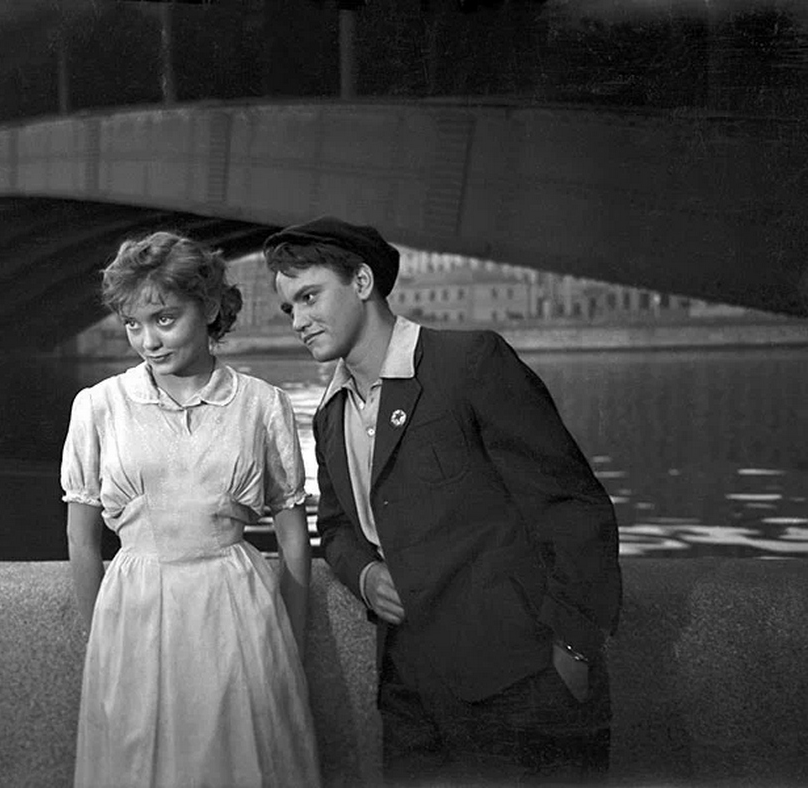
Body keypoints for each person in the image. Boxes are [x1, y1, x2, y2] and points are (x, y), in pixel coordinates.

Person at [265, 216, 622, 786]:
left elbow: (573, 506)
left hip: (522, 683)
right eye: (289, 308)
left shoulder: (468, 362)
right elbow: (334, 527)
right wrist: (365, 576)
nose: (298, 322)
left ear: (362, 282)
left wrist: (574, 651)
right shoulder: (330, 415)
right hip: (410, 697)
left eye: (310, 297)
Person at [61, 231, 321, 788]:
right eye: (133, 324)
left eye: (164, 319)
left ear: (208, 309)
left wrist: (289, 644)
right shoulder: (99, 406)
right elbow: (82, 540)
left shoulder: (262, 404)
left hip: (236, 611)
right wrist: (101, 640)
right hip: (133, 614)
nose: (148, 341)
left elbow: (293, 536)